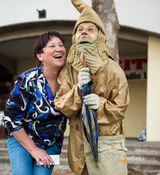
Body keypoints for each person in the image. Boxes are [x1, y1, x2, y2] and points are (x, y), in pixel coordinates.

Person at [54, 0, 130, 174]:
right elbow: (61, 105)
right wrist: (78, 89)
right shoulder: (67, 71)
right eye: (80, 30)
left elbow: (121, 108)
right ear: (74, 37)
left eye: (90, 30)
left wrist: (100, 104)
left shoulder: (114, 70)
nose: (84, 33)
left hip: (107, 146)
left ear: (100, 36)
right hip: (79, 147)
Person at [3, 31, 67, 175]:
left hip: (51, 143)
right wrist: (33, 149)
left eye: (61, 45)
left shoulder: (69, 81)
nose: (58, 48)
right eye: (52, 46)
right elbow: (10, 118)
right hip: (22, 139)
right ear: (40, 56)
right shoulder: (27, 80)